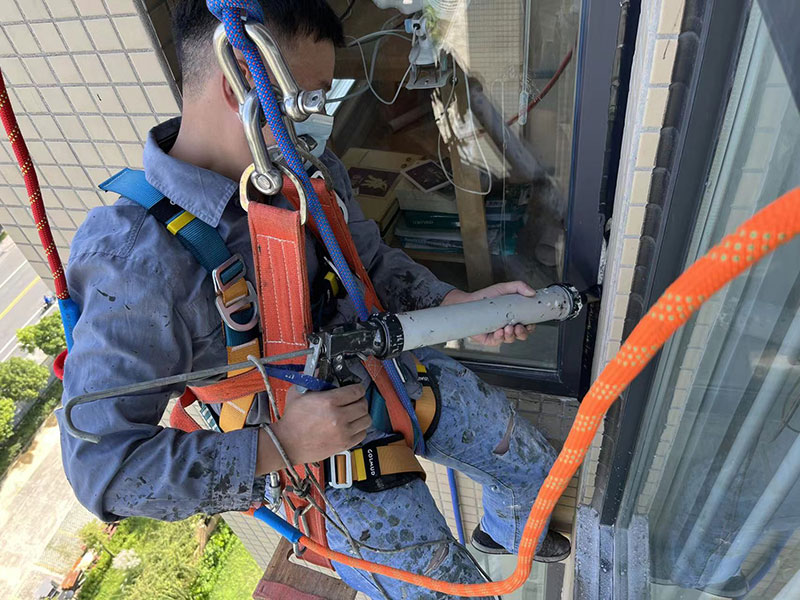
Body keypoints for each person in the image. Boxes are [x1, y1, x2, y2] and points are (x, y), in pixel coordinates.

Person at [57, 1, 570, 597]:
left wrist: (454, 304)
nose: (318, 118)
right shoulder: (136, 264)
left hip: (385, 369)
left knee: (536, 470)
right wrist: (280, 445)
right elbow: (105, 471)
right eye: (307, 100)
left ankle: (505, 535)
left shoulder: (307, 170)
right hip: (299, 446)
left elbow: (367, 262)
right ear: (241, 84)